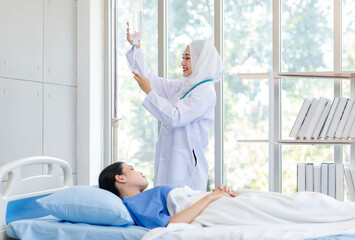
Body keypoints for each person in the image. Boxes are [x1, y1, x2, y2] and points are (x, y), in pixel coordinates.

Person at [126, 23, 225, 191]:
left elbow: (175, 117)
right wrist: (136, 48)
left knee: (181, 212)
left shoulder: (205, 92)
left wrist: (149, 92)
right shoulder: (183, 86)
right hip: (171, 162)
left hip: (186, 169)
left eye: (187, 58)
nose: (182, 62)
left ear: (202, 61)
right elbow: (150, 79)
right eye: (183, 57)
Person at [98, 161, 236, 229]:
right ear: (120, 178)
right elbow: (172, 224)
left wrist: (215, 194)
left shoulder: (144, 197)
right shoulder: (134, 203)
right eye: (132, 169)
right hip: (210, 206)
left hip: (211, 202)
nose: (140, 172)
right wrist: (211, 197)